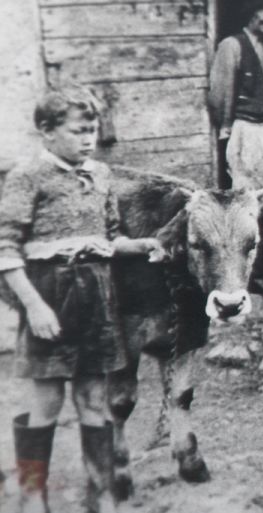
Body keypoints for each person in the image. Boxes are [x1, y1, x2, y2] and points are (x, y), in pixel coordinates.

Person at [0, 87, 165, 513]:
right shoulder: (27, 176)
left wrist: (143, 244)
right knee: (46, 404)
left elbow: (110, 239)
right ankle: (33, 492)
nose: (88, 139)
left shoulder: (101, 175)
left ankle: (102, 492)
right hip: (49, 295)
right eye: (78, 131)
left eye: (92, 131)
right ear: (47, 132)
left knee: (94, 399)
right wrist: (33, 306)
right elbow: (6, 249)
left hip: (97, 296)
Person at [208, 0, 263, 198]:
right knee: (247, 192)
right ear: (250, 13)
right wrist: (227, 129)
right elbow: (219, 95)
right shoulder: (232, 45)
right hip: (248, 128)